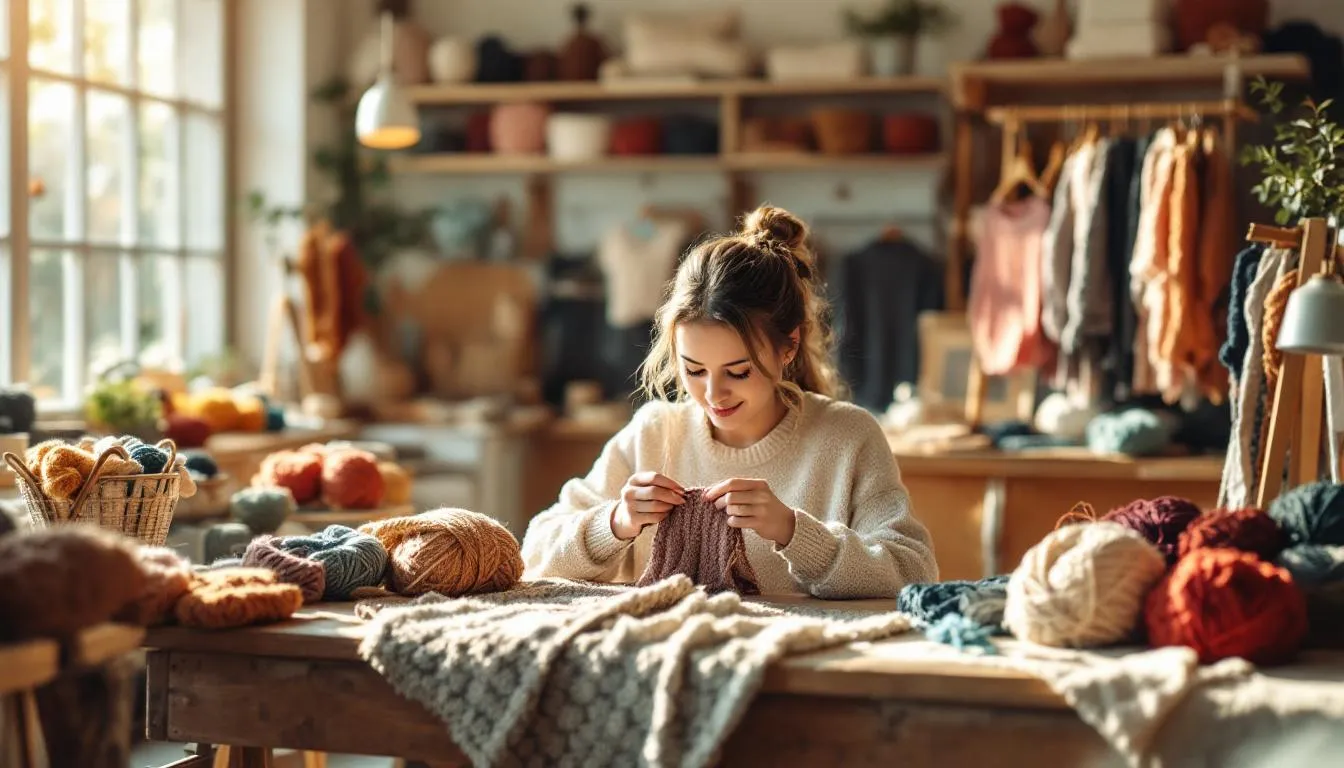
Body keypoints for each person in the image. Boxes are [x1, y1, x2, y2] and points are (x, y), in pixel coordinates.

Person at [521, 205, 937, 598]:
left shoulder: (848, 437)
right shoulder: (653, 433)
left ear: (788, 347)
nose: (713, 394)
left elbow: (913, 571)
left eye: (739, 371)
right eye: (694, 369)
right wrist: (615, 523)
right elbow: (535, 552)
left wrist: (793, 532)